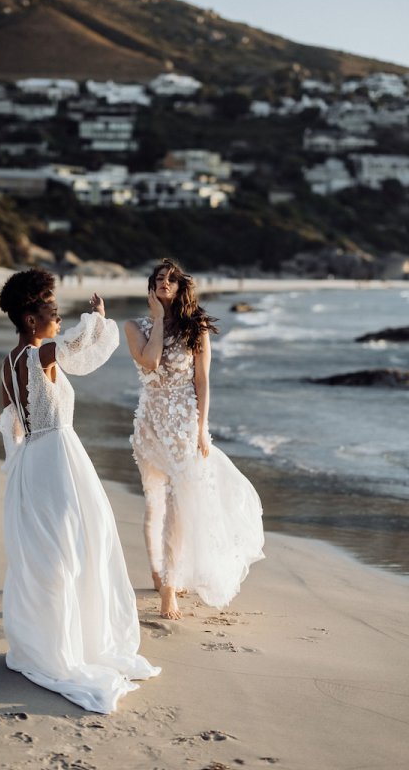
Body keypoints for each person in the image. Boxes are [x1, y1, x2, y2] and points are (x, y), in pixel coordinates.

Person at [0, 269, 160, 714]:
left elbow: (11, 419)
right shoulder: (40, 353)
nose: (57, 317)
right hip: (59, 461)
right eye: (51, 311)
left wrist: (93, 328)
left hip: (33, 460)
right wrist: (97, 320)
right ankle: (71, 644)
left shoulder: (9, 363)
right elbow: (77, 347)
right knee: (80, 546)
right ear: (31, 320)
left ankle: (45, 640)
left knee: (49, 552)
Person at [124, 259, 265, 620]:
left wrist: (202, 428)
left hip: (184, 425)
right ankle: (157, 573)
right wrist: (157, 319)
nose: (163, 284)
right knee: (154, 502)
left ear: (181, 285)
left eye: (170, 280)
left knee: (179, 505)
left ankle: (170, 587)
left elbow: (202, 381)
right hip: (150, 425)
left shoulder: (196, 327)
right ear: (151, 287)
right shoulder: (135, 326)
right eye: (158, 279)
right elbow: (151, 362)